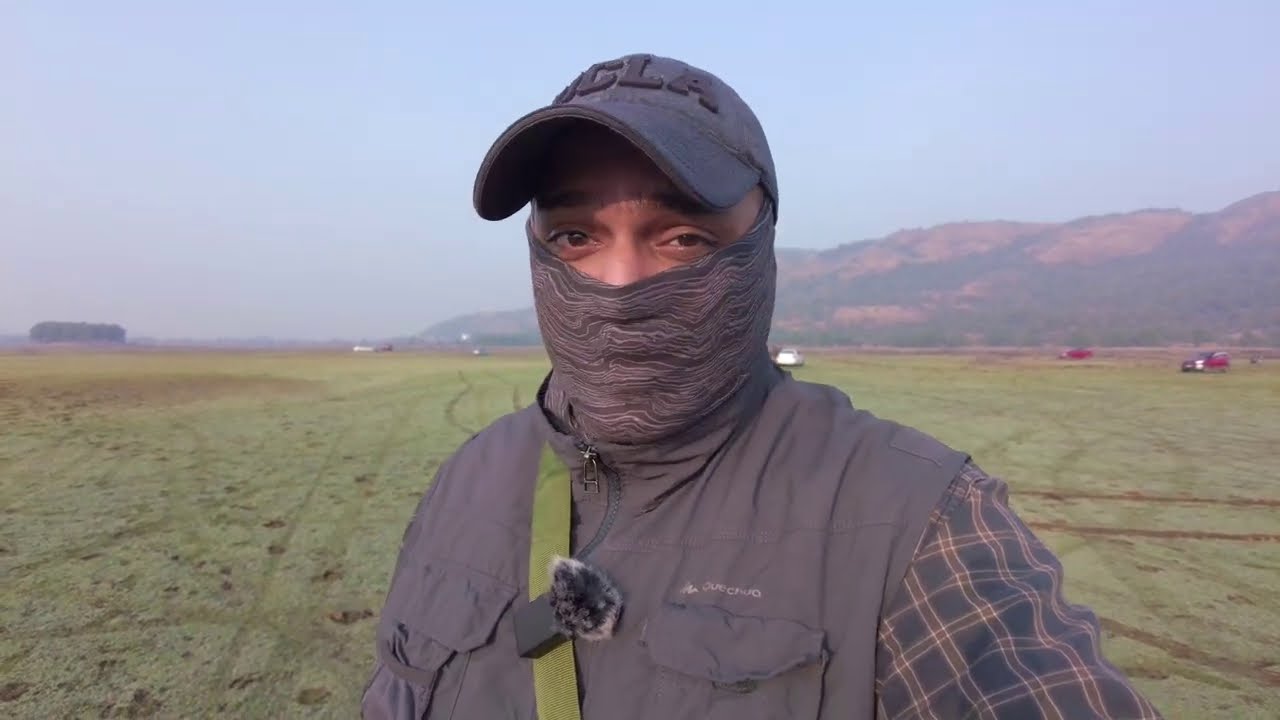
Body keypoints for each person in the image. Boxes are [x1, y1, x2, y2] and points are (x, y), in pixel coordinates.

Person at [361, 52, 1163, 719]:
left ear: (762, 250)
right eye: (575, 236)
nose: (619, 283)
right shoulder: (469, 479)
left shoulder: (915, 518)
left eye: (681, 238)